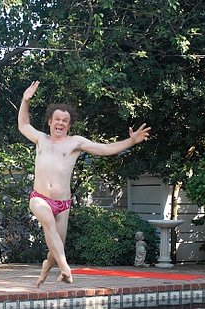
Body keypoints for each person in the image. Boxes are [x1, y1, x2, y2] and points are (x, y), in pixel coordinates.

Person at [18, 81, 151, 287]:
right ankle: (66, 269)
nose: (60, 123)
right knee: (48, 222)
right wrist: (25, 100)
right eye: (57, 119)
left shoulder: (75, 143)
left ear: (69, 125)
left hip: (63, 204)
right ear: (50, 122)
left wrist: (131, 141)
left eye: (65, 120)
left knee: (56, 247)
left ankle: (47, 269)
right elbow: (23, 125)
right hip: (40, 198)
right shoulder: (41, 139)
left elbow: (106, 149)